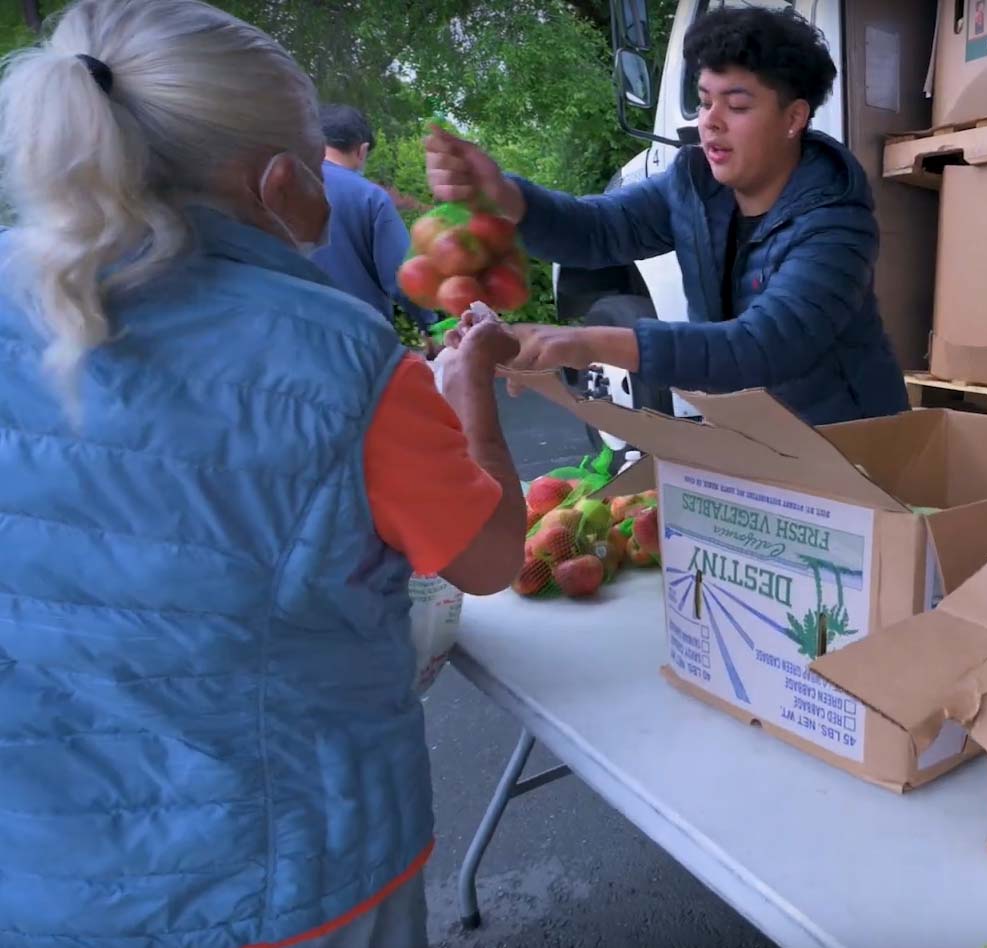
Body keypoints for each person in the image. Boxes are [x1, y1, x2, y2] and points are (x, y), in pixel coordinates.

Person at [0, 2, 525, 947]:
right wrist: (468, 389)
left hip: (38, 877)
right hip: (288, 881)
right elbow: (487, 558)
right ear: (281, 182)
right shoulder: (340, 360)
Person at [426, 6, 910, 426]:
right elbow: (599, 230)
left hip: (852, 445)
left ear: (793, 118)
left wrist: (585, 341)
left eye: (736, 104)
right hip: (754, 436)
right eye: (704, 101)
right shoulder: (695, 185)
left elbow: (759, 348)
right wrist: (504, 195)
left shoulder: (835, 223)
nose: (710, 120)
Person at [311, 104, 437, 337]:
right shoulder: (368, 196)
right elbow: (405, 278)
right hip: (360, 342)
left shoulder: (276, 186)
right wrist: (432, 325)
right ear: (362, 151)